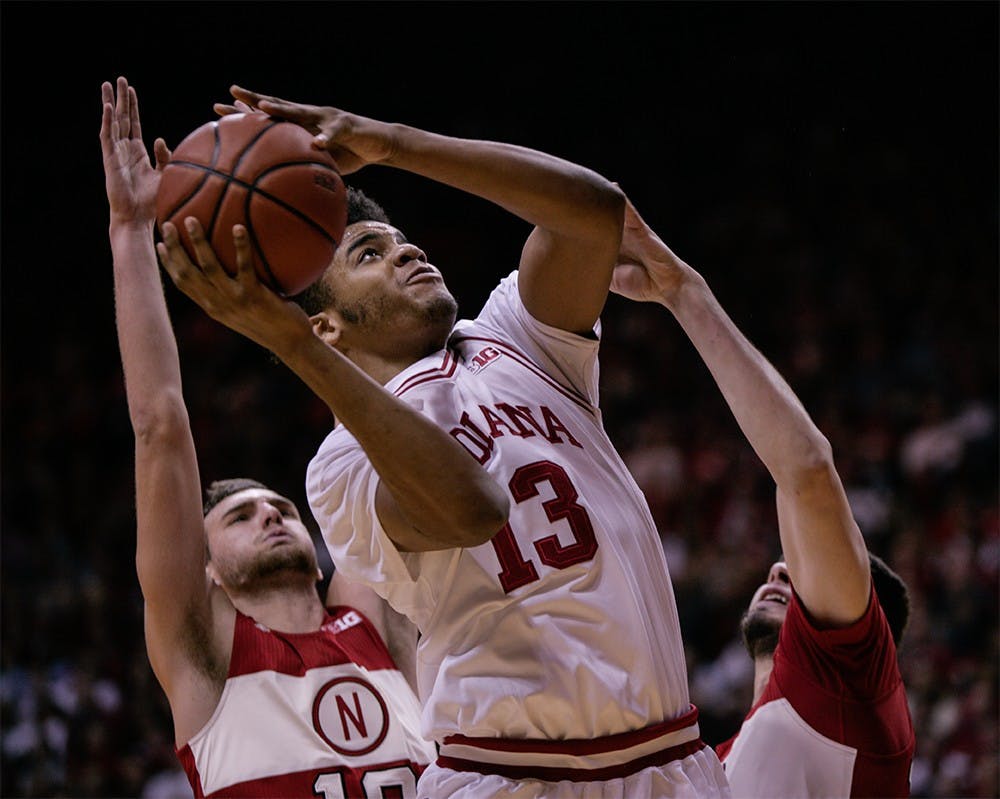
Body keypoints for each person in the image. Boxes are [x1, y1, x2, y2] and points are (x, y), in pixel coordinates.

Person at [156, 86, 731, 799]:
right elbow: (472, 507)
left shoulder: (516, 335)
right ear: (326, 327)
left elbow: (595, 212)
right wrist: (290, 343)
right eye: (371, 253)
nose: (408, 252)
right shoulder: (340, 465)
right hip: (512, 775)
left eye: (403, 240)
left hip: (668, 758)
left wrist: (393, 143)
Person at [101, 76, 437, 799]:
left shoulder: (375, 615)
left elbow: (385, 426)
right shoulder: (205, 653)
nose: (272, 514)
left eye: (279, 506)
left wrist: (336, 312)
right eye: (240, 515)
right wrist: (130, 232)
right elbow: (160, 424)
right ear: (208, 569)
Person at [610, 195, 916, 797]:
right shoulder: (713, 764)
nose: (782, 564)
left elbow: (805, 469)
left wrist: (684, 292)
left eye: (807, 577)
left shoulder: (847, 678)